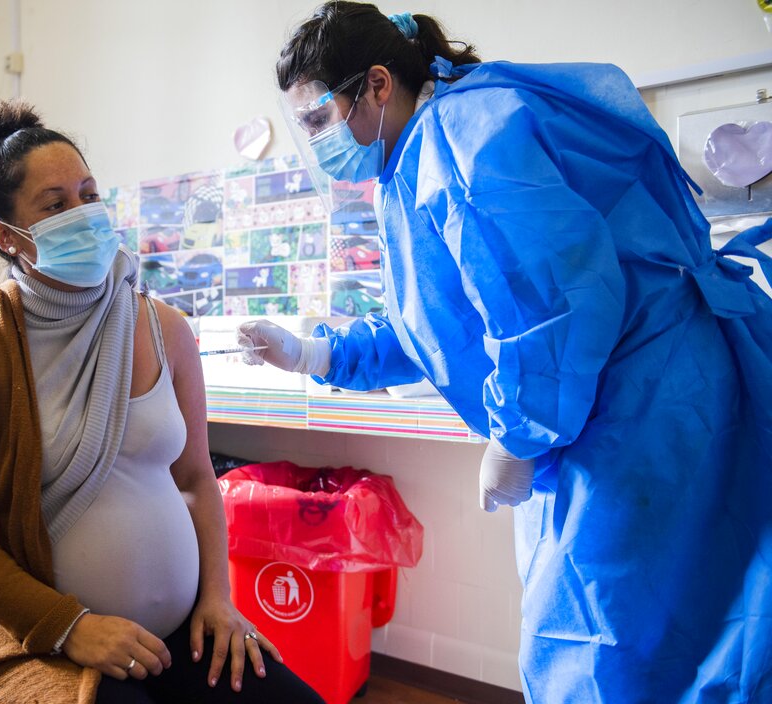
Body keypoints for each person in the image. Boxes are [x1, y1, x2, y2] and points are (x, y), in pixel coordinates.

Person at [238, 3, 772, 702]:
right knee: (671, 631)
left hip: (642, 404)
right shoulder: (420, 158)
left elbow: (557, 304)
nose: (313, 144)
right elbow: (441, 326)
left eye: (316, 121)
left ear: (375, 84)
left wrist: (520, 435)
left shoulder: (460, 138)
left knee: (619, 647)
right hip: (619, 398)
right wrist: (314, 354)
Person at [0, 100, 324, 704]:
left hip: (184, 630)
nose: (84, 215)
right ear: (7, 237)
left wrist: (217, 597)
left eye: (88, 193)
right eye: (55, 205)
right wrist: (68, 627)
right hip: (38, 638)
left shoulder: (165, 328)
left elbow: (196, 478)